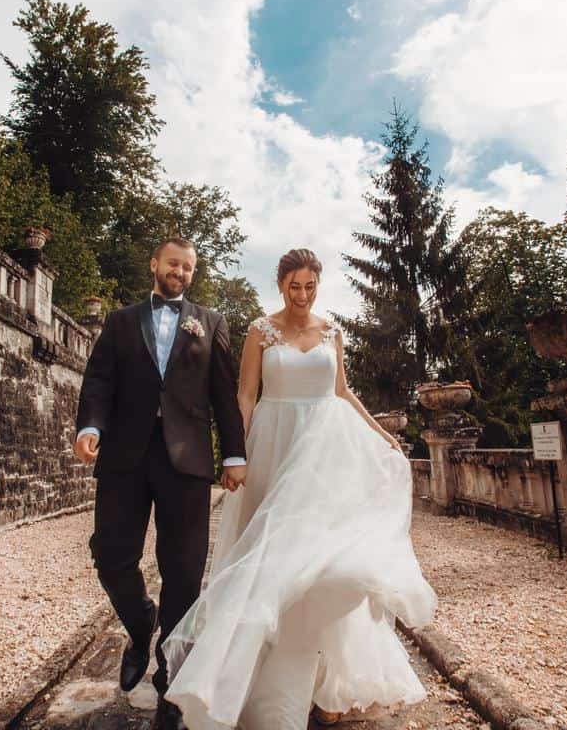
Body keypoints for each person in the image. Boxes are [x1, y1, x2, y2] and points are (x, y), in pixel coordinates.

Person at [163, 248, 438, 730]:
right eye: (295, 286)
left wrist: (379, 433)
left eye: (311, 286)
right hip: (273, 447)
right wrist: (235, 454)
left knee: (326, 561)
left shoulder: (332, 331)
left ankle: (331, 679)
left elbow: (341, 392)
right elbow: (245, 395)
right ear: (281, 285)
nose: (303, 295)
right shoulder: (259, 330)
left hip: (326, 456)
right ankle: (251, 684)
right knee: (269, 562)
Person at [74, 238, 246, 730]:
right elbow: (98, 380)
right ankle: (138, 622)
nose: (181, 272)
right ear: (155, 264)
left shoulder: (211, 323)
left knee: (185, 570)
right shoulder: (120, 321)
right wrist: (90, 426)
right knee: (111, 554)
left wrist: (234, 453)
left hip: (187, 460)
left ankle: (171, 676)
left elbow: (224, 395)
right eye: (174, 264)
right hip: (125, 455)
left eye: (189, 268)